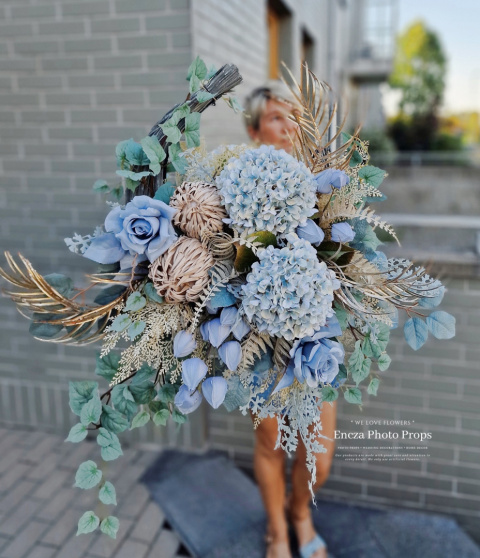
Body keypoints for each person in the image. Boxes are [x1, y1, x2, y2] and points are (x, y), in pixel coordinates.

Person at [244, 82, 338, 558]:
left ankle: (301, 512)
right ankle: (279, 530)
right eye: (277, 117)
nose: (288, 126)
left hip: (317, 340)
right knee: (271, 445)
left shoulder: (324, 180)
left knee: (318, 453)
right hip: (258, 342)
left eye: (293, 116)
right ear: (254, 128)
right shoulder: (233, 186)